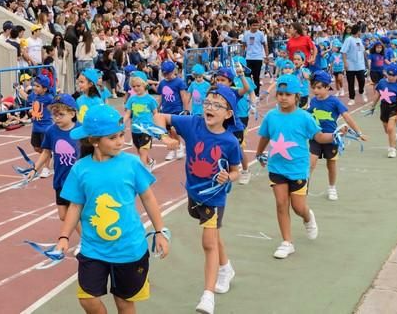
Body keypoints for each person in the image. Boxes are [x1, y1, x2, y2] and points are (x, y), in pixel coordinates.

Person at [55, 104, 169, 314]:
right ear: (95, 141)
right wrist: (64, 237)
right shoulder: (81, 169)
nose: (120, 141)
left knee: (124, 302)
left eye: (121, 135)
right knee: (88, 299)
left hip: (129, 249)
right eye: (113, 137)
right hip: (93, 249)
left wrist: (161, 231)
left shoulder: (132, 164)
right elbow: (75, 206)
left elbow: (148, 198)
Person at [156, 85, 241, 313]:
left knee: (208, 242)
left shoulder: (230, 142)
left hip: (214, 197)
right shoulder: (192, 123)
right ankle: (226, 268)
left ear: (229, 113)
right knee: (213, 234)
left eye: (217, 105)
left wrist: (228, 177)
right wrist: (165, 137)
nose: (210, 108)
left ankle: (208, 296)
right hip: (194, 193)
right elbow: (159, 116)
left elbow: (237, 171)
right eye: (208, 103)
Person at [255, 74, 339, 260]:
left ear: (297, 97)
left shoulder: (304, 117)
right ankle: (287, 242)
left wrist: (334, 136)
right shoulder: (271, 116)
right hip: (277, 168)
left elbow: (318, 137)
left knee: (298, 207)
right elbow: (265, 137)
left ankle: (308, 217)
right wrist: (259, 153)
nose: (283, 97)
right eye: (280, 93)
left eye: (288, 94)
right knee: (281, 203)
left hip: (299, 169)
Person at [28, 94, 81, 239]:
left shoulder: (81, 131)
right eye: (54, 115)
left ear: (72, 113)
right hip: (60, 179)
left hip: (77, 180)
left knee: (73, 211)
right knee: (63, 215)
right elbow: (46, 152)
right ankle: (88, 237)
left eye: (61, 114)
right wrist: (34, 169)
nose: (57, 118)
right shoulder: (51, 131)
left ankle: (86, 241)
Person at [308, 71, 366, 200]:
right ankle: (303, 187)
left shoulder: (334, 101)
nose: (315, 90)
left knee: (331, 164)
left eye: (319, 87)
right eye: (313, 87)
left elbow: (347, 117)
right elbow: (307, 116)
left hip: (331, 138)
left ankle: (332, 187)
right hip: (315, 137)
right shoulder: (313, 101)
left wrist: (358, 132)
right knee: (311, 163)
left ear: (327, 87)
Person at [17, 75, 54, 177]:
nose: (34, 88)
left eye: (38, 86)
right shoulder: (34, 95)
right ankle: (49, 156)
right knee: (36, 147)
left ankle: (46, 168)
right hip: (36, 126)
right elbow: (27, 97)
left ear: (45, 89)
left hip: (45, 127)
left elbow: (55, 106)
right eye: (34, 85)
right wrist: (19, 89)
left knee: (45, 148)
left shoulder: (49, 98)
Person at [368, 64, 397, 158]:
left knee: (390, 128)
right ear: (386, 73)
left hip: (394, 108)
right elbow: (377, 95)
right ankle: (395, 136)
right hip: (384, 107)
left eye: (394, 75)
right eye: (390, 75)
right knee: (387, 130)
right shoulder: (381, 82)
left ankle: (392, 149)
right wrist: (373, 105)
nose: (391, 77)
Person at [124, 71, 158, 170]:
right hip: (135, 129)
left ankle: (142, 172)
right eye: (133, 86)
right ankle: (150, 161)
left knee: (143, 151)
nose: (136, 88)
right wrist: (122, 122)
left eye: (138, 85)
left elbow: (156, 113)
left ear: (144, 85)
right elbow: (128, 113)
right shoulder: (132, 99)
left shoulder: (150, 100)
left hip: (147, 129)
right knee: (140, 150)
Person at [157, 60, 189, 161]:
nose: (166, 75)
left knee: (175, 130)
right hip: (166, 110)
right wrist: (157, 108)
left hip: (177, 110)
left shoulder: (179, 82)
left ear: (174, 71)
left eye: (168, 73)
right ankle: (172, 149)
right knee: (169, 131)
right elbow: (161, 97)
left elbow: (183, 96)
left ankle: (179, 146)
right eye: (164, 73)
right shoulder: (162, 83)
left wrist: (186, 109)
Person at [341, 24, 367, 106]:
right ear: (357, 31)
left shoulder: (359, 39)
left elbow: (362, 51)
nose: (361, 32)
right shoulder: (348, 39)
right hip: (350, 65)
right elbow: (344, 51)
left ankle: (362, 92)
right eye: (360, 30)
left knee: (362, 80)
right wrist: (345, 62)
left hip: (360, 65)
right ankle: (352, 98)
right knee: (351, 83)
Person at [243, 18, 269, 94]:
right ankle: (248, 92)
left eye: (257, 25)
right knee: (247, 76)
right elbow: (243, 45)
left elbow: (265, 45)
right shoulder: (246, 34)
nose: (255, 27)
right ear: (250, 26)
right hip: (248, 58)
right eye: (254, 25)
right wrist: (241, 55)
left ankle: (256, 93)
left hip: (258, 58)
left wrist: (266, 56)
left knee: (256, 77)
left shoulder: (260, 34)